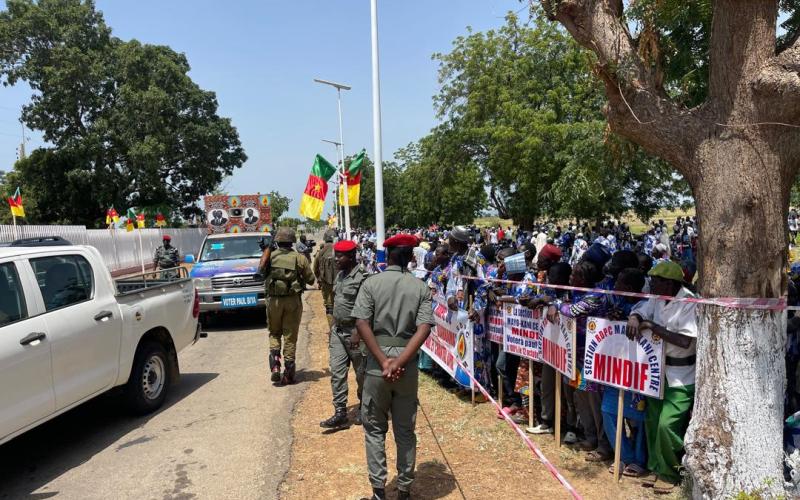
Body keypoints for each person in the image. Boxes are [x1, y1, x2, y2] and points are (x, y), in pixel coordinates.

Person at [352, 234, 434, 500]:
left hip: (377, 364)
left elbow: (362, 323)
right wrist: (399, 361)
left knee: (375, 428)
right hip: (406, 365)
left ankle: (378, 491)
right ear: (411, 257)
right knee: (404, 430)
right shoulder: (420, 287)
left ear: (386, 256)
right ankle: (404, 490)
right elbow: (424, 329)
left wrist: (385, 360)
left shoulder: (371, 283)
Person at [627, 260, 698, 494]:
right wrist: (636, 318)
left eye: (657, 280)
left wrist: (651, 326)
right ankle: (656, 468)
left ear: (670, 283)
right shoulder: (657, 298)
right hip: (657, 371)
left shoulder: (688, 302)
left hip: (682, 374)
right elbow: (640, 309)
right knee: (653, 420)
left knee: (668, 425)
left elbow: (685, 340)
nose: (652, 283)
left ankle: (670, 472)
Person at [320, 240, 368, 430]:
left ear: (351, 257)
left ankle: (365, 408)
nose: (335, 259)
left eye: (339, 256)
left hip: (356, 333)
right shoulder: (340, 275)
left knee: (362, 374)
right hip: (338, 332)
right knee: (337, 373)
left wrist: (358, 331)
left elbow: (368, 308)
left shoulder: (363, 278)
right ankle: (340, 412)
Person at [263, 227, 315, 385]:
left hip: (273, 301)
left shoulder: (269, 256)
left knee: (274, 332)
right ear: (292, 241)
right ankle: (289, 373)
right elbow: (311, 280)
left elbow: (261, 273)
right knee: (290, 337)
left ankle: (275, 366)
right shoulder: (299, 258)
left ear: (277, 240)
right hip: (292, 301)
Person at [313, 230, 337, 327]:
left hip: (326, 284)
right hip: (340, 283)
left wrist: (319, 279)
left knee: (329, 307)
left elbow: (315, 268)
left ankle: (332, 328)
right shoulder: (339, 249)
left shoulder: (321, 252)